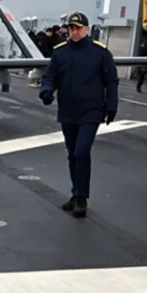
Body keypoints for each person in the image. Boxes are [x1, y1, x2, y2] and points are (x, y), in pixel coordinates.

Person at [38, 12, 118, 218]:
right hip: (68, 110)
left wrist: (111, 106)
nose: (75, 32)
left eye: (79, 28)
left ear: (87, 29)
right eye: (72, 28)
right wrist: (46, 91)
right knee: (73, 153)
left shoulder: (100, 53)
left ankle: (81, 198)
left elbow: (111, 81)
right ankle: (76, 192)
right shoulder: (60, 53)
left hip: (91, 111)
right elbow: (50, 76)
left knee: (82, 152)